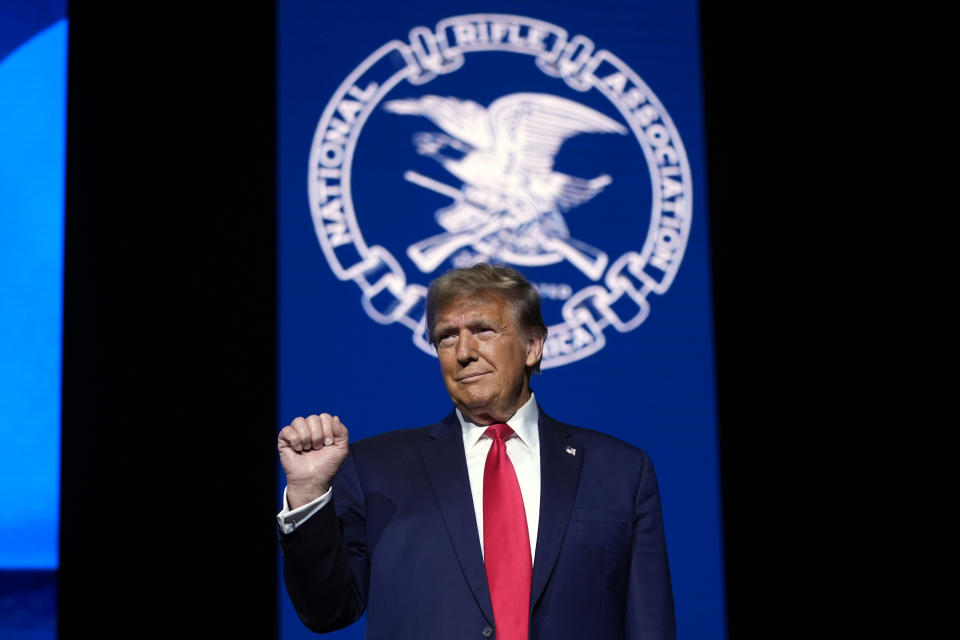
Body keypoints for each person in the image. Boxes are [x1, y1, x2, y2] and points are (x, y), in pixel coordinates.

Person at [277, 264, 675, 639]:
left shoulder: (620, 472)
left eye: (483, 331)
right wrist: (309, 496)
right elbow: (327, 612)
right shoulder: (375, 470)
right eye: (447, 336)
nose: (463, 351)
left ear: (532, 345)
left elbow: (650, 624)